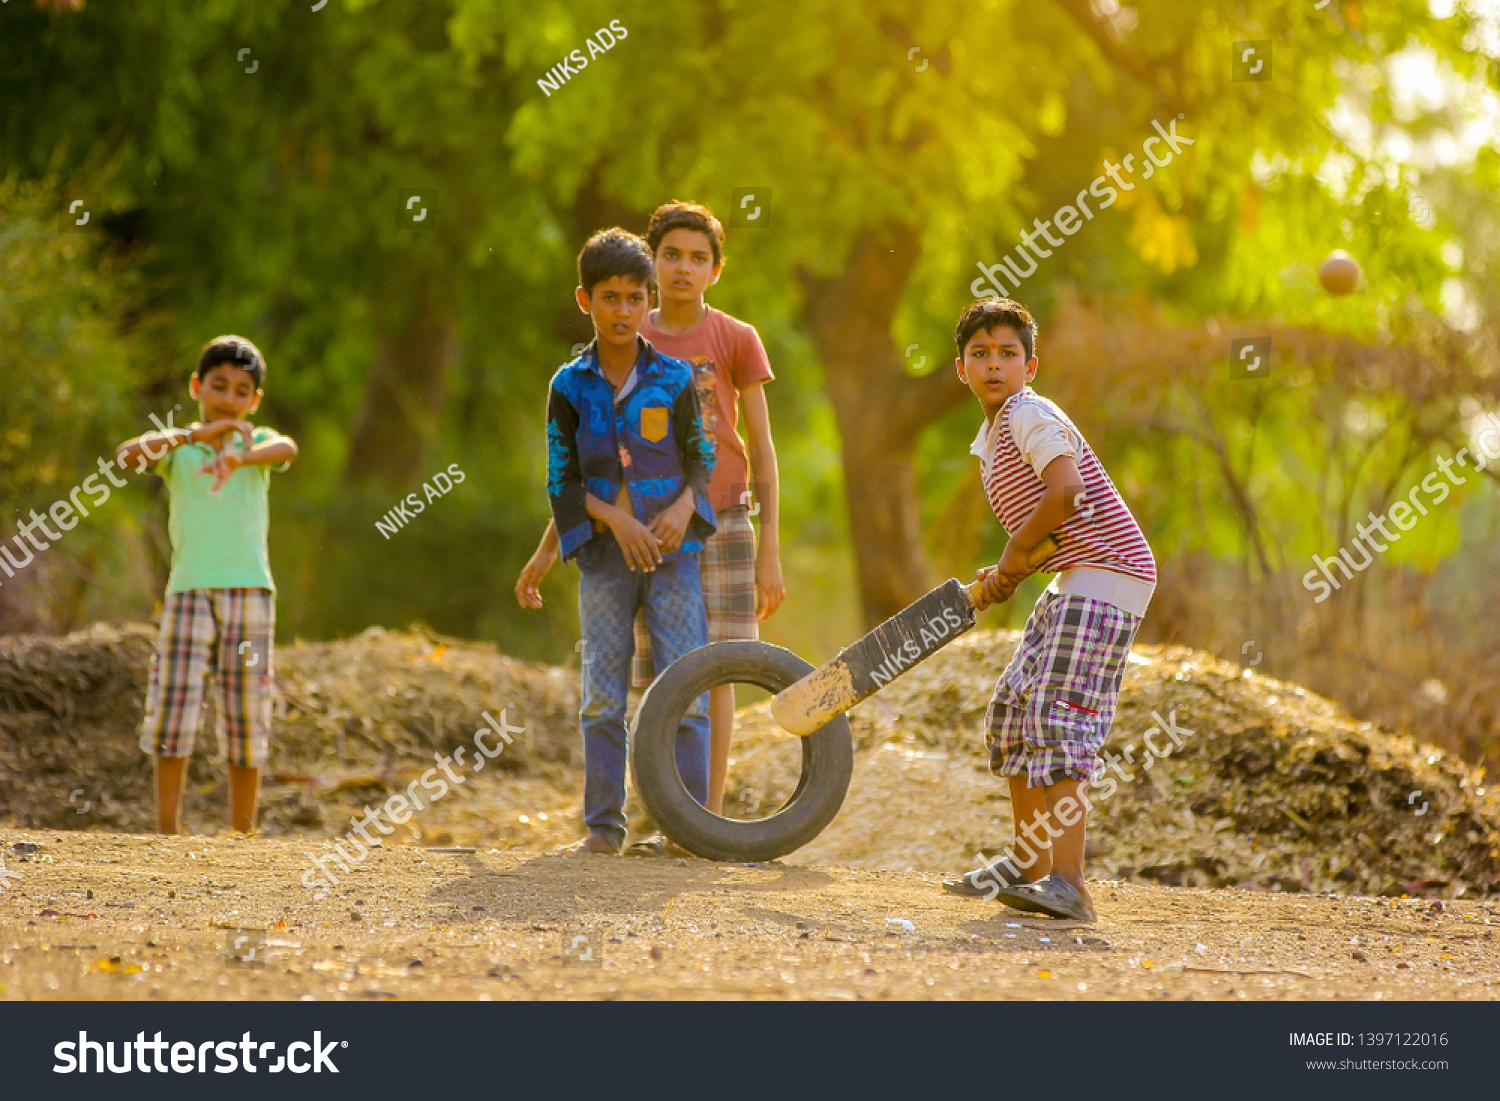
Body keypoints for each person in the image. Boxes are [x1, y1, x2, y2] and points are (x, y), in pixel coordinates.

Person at [517, 200, 784, 834]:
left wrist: (759, 538)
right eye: (670, 256)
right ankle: (627, 822)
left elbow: (734, 450)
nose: (682, 270)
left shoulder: (714, 349)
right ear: (594, 299)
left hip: (702, 531)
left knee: (706, 674)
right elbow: (575, 472)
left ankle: (699, 823)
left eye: (698, 258)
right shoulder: (596, 364)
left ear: (717, 269)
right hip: (616, 543)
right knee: (626, 686)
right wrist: (554, 546)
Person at [939, 298, 1154, 922]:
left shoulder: (1030, 414)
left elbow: (1066, 493)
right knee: (1013, 710)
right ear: (961, 369)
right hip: (1072, 573)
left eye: (1008, 353)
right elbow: (1056, 534)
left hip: (1108, 576)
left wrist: (1012, 555)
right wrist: (1007, 572)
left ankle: (1070, 884)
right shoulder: (993, 438)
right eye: (980, 354)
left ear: (1031, 366)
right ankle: (1029, 866)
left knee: (1058, 716)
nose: (994, 364)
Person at [545, 227, 717, 855]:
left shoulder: (674, 379)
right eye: (609, 297)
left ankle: (687, 832)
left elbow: (703, 459)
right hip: (603, 560)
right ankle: (602, 828)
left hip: (675, 556)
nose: (622, 310)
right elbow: (561, 483)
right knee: (602, 692)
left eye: (633, 298)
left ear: (649, 301)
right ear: (584, 300)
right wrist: (615, 520)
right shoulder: (569, 386)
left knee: (684, 689)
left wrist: (682, 509)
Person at [115, 336, 298, 835]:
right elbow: (128, 456)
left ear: (254, 401)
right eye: (218, 386)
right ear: (197, 387)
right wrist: (193, 436)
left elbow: (288, 448)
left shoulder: (255, 444)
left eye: (241, 392)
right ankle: (167, 830)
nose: (228, 399)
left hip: (249, 594)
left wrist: (239, 455)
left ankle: (243, 831)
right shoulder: (180, 449)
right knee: (174, 702)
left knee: (246, 703)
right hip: (189, 592)